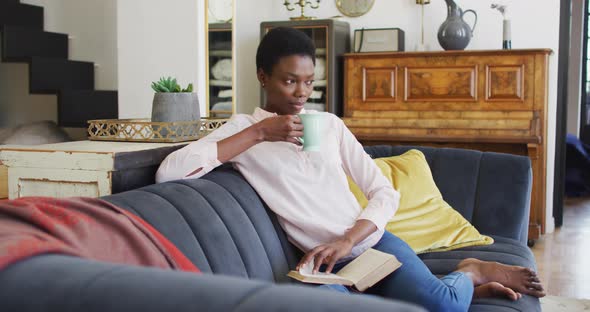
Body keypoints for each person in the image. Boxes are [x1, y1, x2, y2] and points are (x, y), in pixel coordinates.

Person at [156, 27, 545, 312]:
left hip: (369, 245)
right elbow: (170, 172)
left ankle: (469, 272)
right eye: (290, 81)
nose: (301, 93)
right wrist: (260, 133)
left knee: (444, 306)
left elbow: (383, 192)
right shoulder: (243, 131)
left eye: (309, 82)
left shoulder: (327, 124)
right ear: (263, 77)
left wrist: (348, 238)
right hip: (321, 267)